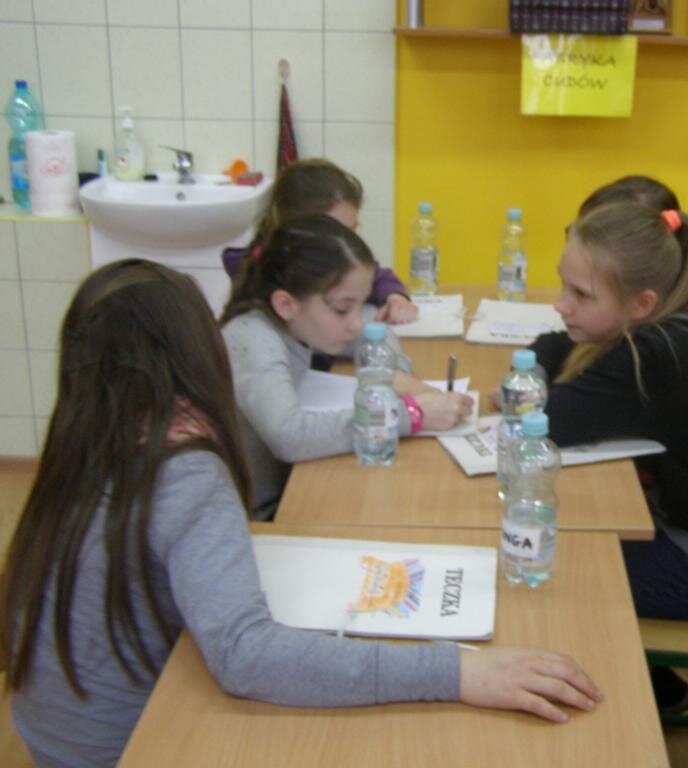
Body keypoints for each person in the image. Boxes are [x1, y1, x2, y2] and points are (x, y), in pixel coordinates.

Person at [0, 259, 602, 768]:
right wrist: (458, 672)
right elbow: (246, 656)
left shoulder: (80, 434)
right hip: (123, 746)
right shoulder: (184, 467)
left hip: (49, 735)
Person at [523, 202, 688, 701]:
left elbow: (550, 423)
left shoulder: (652, 356)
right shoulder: (666, 328)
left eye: (580, 294)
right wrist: (538, 366)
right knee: (557, 534)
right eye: (563, 285)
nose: (562, 305)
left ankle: (627, 696)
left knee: (535, 564)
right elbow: (553, 344)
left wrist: (527, 381)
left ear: (642, 303)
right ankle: (651, 681)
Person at [220, 214, 472, 520]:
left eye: (359, 304)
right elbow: (290, 436)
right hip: (258, 516)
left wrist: (394, 374)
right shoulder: (253, 339)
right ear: (286, 304)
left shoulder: (297, 321)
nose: (355, 322)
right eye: (342, 309)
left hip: (291, 486)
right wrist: (411, 414)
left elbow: (376, 331)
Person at [224, 158, 418, 326]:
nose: (347, 244)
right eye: (334, 233)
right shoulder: (266, 283)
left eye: (352, 232)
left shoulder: (330, 258)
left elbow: (375, 276)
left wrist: (395, 297)